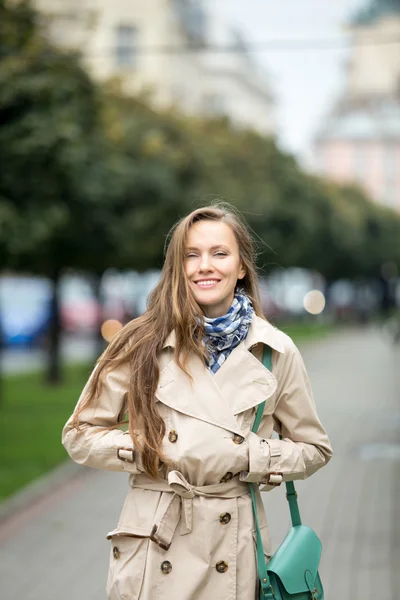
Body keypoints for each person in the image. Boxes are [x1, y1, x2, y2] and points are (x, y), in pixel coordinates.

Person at [62, 204, 333, 600]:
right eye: (192, 255)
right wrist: (147, 450)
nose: (204, 266)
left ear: (241, 266)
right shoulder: (141, 342)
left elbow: (315, 448)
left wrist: (248, 457)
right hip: (156, 541)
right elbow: (79, 434)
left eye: (219, 253)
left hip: (234, 544)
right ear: (178, 267)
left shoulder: (274, 351)